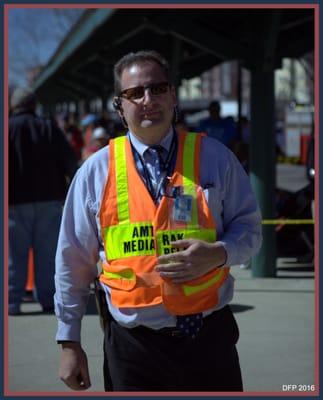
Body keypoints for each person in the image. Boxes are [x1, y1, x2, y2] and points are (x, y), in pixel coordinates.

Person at [55, 50, 262, 392]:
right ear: (119, 106)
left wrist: (220, 252)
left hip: (209, 340)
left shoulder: (215, 158)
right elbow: (72, 261)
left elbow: (251, 230)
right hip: (134, 348)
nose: (148, 100)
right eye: (135, 93)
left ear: (173, 96)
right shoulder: (96, 171)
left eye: (157, 88)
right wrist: (69, 342)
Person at [9, 87, 78, 315]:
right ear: (33, 104)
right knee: (47, 255)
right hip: (50, 199)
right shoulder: (49, 127)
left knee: (13, 256)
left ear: (14, 105)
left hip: (14, 202)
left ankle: (12, 302)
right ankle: (49, 300)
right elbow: (69, 160)